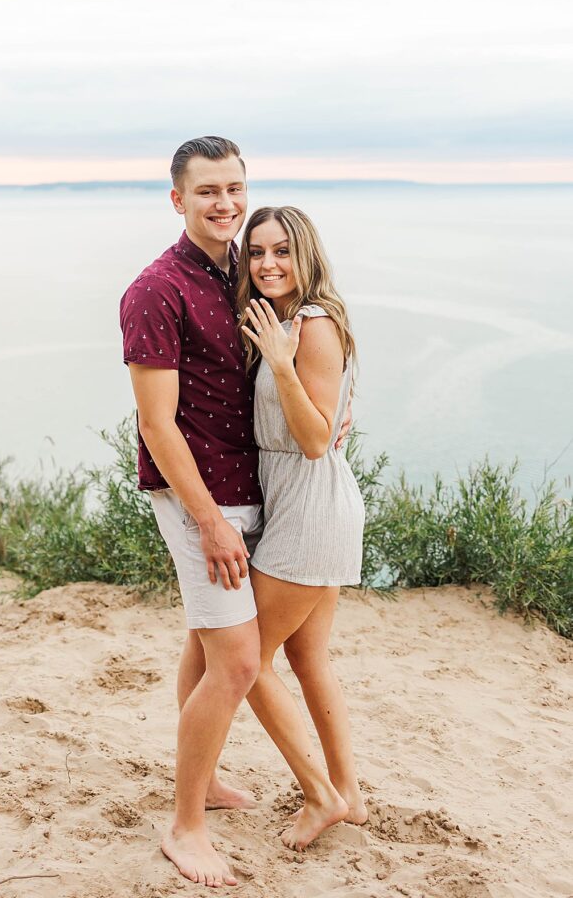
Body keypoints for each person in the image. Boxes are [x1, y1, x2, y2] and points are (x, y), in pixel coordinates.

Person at [120, 139, 352, 886]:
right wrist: (210, 522)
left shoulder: (242, 273)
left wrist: (330, 413)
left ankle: (206, 782)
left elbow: (302, 379)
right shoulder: (155, 290)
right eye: (207, 191)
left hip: (261, 494)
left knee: (205, 649)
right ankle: (184, 826)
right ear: (177, 199)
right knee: (242, 661)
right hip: (201, 501)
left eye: (234, 189)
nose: (223, 203)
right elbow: (158, 425)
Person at [237, 205, 368, 851]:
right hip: (301, 501)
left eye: (281, 251)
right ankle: (348, 792)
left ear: (305, 254)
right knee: (307, 657)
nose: (267, 264)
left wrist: (281, 363)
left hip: (311, 505)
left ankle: (319, 796)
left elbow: (315, 440)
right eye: (256, 252)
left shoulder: (310, 326)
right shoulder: (283, 320)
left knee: (245, 662)